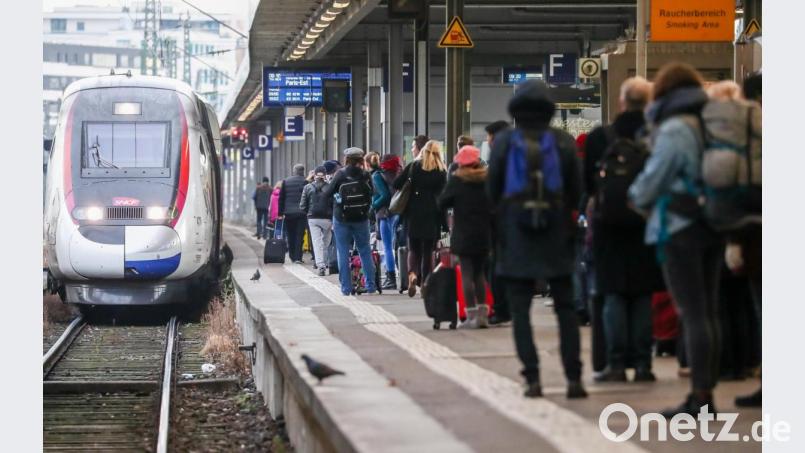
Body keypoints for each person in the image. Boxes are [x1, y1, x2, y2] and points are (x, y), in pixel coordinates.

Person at [628, 62, 723, 417]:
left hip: (680, 226)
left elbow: (654, 178)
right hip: (713, 222)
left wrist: (634, 196)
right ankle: (706, 392)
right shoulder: (710, 121)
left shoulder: (674, 129)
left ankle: (700, 399)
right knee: (709, 313)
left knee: (693, 313)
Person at [486, 80, 587, 399]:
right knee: (565, 309)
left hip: (516, 235)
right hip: (556, 232)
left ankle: (532, 378)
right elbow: (576, 192)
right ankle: (574, 379)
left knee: (520, 312)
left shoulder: (504, 142)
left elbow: (493, 192)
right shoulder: (564, 142)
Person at [586, 76, 661, 383]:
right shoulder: (656, 136)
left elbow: (586, 184)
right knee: (642, 294)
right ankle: (643, 364)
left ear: (621, 102)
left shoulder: (600, 137)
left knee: (613, 293)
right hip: (645, 223)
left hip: (608, 226)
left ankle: (616, 364)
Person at [438, 145, 492, 328]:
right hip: (484, 233)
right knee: (480, 274)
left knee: (467, 274)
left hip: (464, 233)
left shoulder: (457, 180)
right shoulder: (486, 179)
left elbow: (442, 201)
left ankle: (471, 316)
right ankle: (483, 315)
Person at [394, 140, 447, 297]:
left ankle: (412, 275)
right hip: (433, 214)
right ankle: (425, 283)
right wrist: (444, 224)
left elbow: (397, 183)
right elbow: (444, 197)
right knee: (428, 251)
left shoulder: (413, 167)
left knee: (414, 248)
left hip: (413, 213)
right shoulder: (441, 171)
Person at [323, 147, 378, 295]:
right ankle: (370, 286)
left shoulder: (340, 174)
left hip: (342, 218)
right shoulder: (365, 175)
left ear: (346, 159)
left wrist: (337, 200)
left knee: (342, 251)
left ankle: (346, 288)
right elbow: (373, 193)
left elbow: (326, 194)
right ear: (361, 159)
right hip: (361, 218)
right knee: (365, 251)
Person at [483, 120, 512, 326]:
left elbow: (492, 193)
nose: (488, 141)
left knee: (497, 266)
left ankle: (502, 309)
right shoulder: (523, 152)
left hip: (501, 221)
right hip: (523, 220)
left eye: (489, 137)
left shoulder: (499, 157)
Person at [369, 152, 403, 290]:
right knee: (400, 246)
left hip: (385, 213)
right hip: (400, 212)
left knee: (388, 247)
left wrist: (373, 206)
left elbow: (384, 195)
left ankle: (391, 278)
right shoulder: (401, 173)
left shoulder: (377, 175)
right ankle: (405, 275)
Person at [300, 166, 333, 276]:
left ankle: (321, 266)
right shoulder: (330, 187)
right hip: (328, 219)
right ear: (325, 174)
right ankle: (324, 262)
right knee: (325, 243)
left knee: (317, 242)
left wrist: (308, 212)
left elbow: (302, 205)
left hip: (313, 218)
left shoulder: (308, 187)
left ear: (315, 175)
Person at [279, 164, 308, 264]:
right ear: (303, 171)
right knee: (299, 235)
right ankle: (298, 257)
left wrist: (280, 213)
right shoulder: (305, 181)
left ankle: (291, 256)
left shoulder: (286, 181)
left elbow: (281, 198)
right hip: (301, 213)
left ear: (294, 171)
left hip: (289, 213)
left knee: (290, 234)